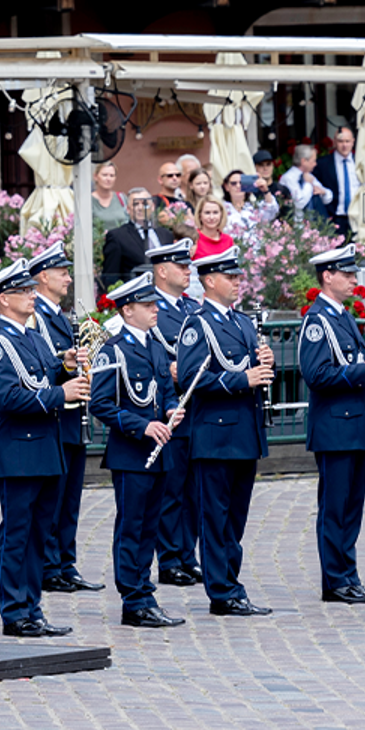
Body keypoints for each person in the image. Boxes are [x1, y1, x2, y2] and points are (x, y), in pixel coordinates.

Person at [0, 259, 88, 637]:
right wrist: (62, 393)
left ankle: (32, 607)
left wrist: (66, 367)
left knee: (40, 533)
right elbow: (9, 397)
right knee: (18, 533)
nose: (31, 296)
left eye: (30, 289)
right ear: (3, 300)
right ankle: (14, 612)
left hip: (46, 448)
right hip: (20, 451)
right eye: (23, 291)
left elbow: (45, 376)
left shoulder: (34, 336)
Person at [177, 247, 274, 616]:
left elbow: (250, 368)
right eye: (229, 277)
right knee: (215, 518)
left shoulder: (243, 322)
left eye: (237, 276)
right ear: (209, 281)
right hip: (215, 435)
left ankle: (231, 583)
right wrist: (242, 379)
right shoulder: (198, 325)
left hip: (244, 433)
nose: (237, 282)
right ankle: (222, 592)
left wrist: (264, 364)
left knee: (235, 518)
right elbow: (190, 380)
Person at [88, 273, 185, 628]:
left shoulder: (156, 347)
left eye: (154, 303)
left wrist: (172, 410)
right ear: (127, 311)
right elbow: (100, 403)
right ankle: (133, 599)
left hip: (159, 452)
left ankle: (145, 593)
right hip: (131, 453)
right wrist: (141, 425)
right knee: (132, 526)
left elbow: (166, 391)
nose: (155, 310)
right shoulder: (112, 350)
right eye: (147, 305)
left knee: (150, 527)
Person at [298, 244, 365, 605]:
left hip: (353, 425)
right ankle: (335, 580)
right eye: (347, 274)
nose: (354, 280)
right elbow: (316, 374)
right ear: (328, 276)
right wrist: (364, 368)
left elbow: (352, 360)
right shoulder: (317, 320)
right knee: (335, 507)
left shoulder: (343, 316)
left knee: (352, 507)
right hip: (334, 426)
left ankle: (349, 576)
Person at [29, 248, 103, 594]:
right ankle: (49, 566)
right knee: (54, 498)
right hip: (55, 415)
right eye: (62, 272)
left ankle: (65, 562)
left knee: (70, 498)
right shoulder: (36, 316)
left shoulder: (58, 315)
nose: (69, 279)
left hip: (72, 416)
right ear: (43, 276)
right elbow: (44, 364)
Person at [140, 242, 203, 587]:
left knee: (193, 490)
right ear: (161, 271)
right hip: (171, 406)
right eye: (181, 266)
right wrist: (167, 368)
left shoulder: (192, 308)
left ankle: (187, 555)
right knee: (172, 489)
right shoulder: (150, 309)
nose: (187, 271)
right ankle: (169, 559)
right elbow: (141, 354)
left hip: (197, 407)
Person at [100, 189, 165, 286]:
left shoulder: (165, 234)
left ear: (152, 207)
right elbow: (110, 277)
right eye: (135, 204)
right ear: (128, 209)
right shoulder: (118, 236)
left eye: (145, 203)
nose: (140, 208)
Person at [310, 127, 360, 239]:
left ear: (353, 142)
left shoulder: (360, 162)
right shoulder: (323, 164)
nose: (344, 145)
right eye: (341, 141)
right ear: (334, 142)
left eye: (347, 141)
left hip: (357, 217)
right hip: (334, 217)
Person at [280, 144, 331, 219]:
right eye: (313, 161)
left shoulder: (308, 176)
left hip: (315, 223)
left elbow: (328, 198)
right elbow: (299, 203)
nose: (315, 164)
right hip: (296, 224)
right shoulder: (288, 178)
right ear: (303, 161)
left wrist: (323, 192)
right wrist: (308, 184)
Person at [221, 170, 275, 236]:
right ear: (226, 187)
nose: (238, 186)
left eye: (241, 183)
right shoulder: (220, 210)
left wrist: (265, 191)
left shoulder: (255, 208)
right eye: (233, 183)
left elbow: (271, 212)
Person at [91, 161, 131, 230]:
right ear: (96, 176)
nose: (108, 179)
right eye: (104, 175)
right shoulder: (89, 201)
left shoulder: (121, 198)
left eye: (112, 176)